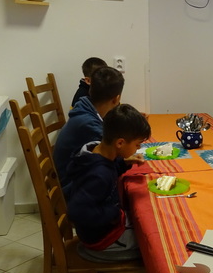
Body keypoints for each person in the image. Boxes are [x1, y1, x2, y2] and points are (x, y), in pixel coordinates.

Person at [66, 103, 151, 262]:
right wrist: (113, 213)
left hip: (108, 227)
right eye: (137, 144)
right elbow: (76, 212)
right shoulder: (98, 174)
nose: (137, 149)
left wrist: (124, 163)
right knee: (151, 241)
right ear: (120, 143)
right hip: (104, 239)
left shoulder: (96, 151)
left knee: (146, 220)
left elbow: (108, 170)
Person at [54, 66, 124, 194]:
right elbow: (118, 151)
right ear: (116, 99)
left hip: (71, 179)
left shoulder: (85, 107)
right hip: (72, 190)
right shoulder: (88, 124)